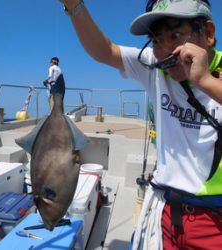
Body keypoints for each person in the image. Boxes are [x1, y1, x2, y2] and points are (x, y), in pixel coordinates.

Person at [57, 0, 222, 249]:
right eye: (156, 40)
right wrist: (74, 5)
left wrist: (205, 80)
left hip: (214, 219)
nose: (165, 49)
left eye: (175, 35)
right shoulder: (153, 67)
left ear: (208, 33)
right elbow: (105, 50)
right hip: (165, 209)